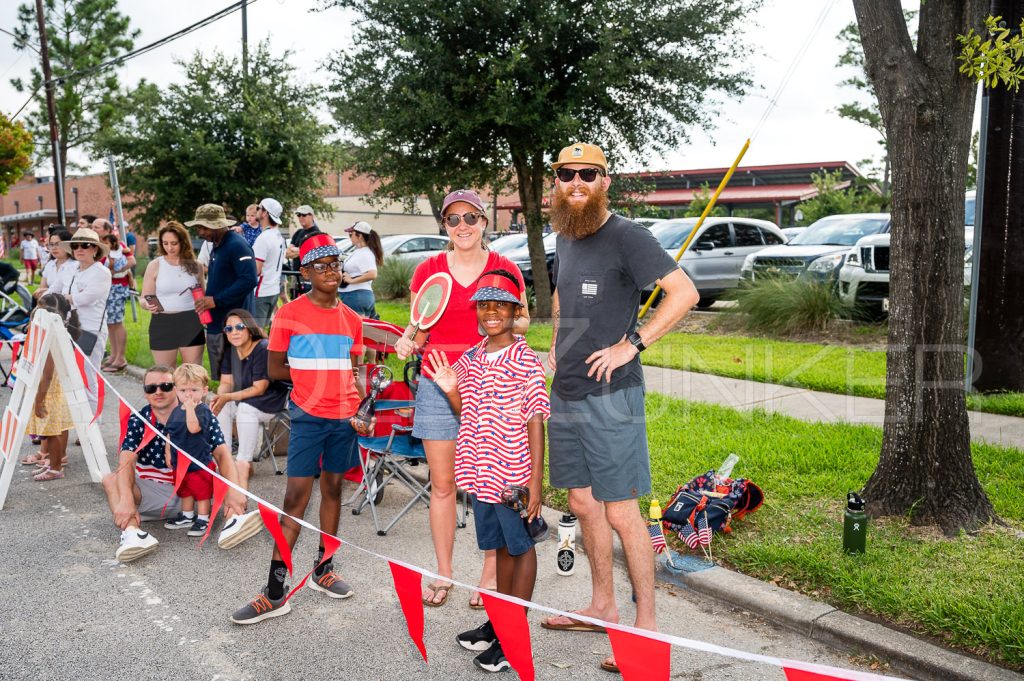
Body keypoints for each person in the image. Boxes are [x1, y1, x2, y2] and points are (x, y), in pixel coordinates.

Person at [540, 143, 699, 674]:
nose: (577, 181)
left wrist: (634, 342)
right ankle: (601, 605)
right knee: (583, 504)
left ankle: (647, 631)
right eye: (567, 173)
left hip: (612, 396)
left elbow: (684, 293)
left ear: (605, 181)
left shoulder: (628, 235)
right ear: (556, 181)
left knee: (619, 509)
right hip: (565, 391)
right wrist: (555, 348)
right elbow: (564, 299)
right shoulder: (565, 233)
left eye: (589, 173)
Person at [394, 188, 529, 608]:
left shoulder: (504, 268)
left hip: (491, 384)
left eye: (471, 217)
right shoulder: (429, 270)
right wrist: (406, 340)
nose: (463, 226)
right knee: (443, 484)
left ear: (484, 222)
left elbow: (523, 318)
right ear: (444, 226)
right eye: (454, 220)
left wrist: (499, 322)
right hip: (437, 381)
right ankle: (443, 572)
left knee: (489, 485)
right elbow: (418, 326)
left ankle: (490, 574)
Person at [231, 233, 373, 625]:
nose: (331, 271)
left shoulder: (352, 319)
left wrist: (363, 404)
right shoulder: (290, 313)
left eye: (336, 265)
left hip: (344, 417)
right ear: (306, 271)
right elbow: (276, 368)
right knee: (295, 496)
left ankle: (323, 569)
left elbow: (357, 369)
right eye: (321, 266)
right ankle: (275, 590)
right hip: (308, 415)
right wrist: (315, 376)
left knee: (332, 490)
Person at [427, 270, 549, 673]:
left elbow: (536, 418)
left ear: (516, 312)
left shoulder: (524, 358)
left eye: (501, 304)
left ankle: (514, 636)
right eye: (484, 304)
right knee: (497, 548)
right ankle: (498, 623)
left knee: (521, 546)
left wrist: (535, 481)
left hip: (512, 471)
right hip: (479, 472)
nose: (491, 311)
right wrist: (449, 389)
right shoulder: (473, 357)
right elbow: (468, 411)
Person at [103, 365, 263, 563]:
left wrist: (234, 490)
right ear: (145, 393)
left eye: (165, 386)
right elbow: (126, 459)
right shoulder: (139, 418)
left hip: (197, 493)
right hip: (156, 493)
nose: (158, 392)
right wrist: (127, 498)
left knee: (240, 465)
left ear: (176, 388)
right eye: (151, 388)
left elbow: (222, 454)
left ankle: (234, 519)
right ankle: (133, 534)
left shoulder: (200, 413)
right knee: (111, 479)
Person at [212, 309, 288, 491]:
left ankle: (243, 462)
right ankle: (225, 459)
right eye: (229, 329)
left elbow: (259, 388)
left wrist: (227, 397)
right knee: (221, 406)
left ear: (250, 328)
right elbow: (226, 383)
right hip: (245, 397)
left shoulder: (262, 347)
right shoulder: (231, 349)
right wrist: (220, 397)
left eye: (239, 327)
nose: (234, 332)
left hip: (271, 399)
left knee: (244, 409)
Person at [187, 204, 258, 380]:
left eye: (203, 227)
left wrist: (216, 300)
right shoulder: (217, 244)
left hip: (234, 325)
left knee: (235, 379)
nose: (200, 232)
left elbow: (249, 280)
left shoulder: (236, 245)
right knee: (222, 378)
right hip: (218, 323)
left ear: (217, 225)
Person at [21, 293, 80, 481]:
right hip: (55, 388)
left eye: (39, 305)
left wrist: (39, 399)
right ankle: (55, 463)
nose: (35, 309)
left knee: (51, 432)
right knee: (57, 428)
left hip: (50, 390)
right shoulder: (56, 330)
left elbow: (47, 373)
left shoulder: (51, 335)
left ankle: (55, 468)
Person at [162, 363, 220, 537]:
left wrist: (189, 409)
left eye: (194, 390)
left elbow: (194, 428)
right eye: (183, 390)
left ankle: (203, 518)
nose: (188, 395)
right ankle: (187, 515)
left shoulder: (202, 411)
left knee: (201, 492)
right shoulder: (175, 411)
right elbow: (169, 433)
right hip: (180, 462)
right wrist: (167, 452)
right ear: (176, 391)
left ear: (204, 390)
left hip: (198, 462)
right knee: (184, 490)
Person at [140, 221, 206, 367]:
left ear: (183, 242)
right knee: (166, 374)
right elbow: (144, 297)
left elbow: (202, 297)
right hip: (163, 322)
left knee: (193, 372)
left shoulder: (196, 266)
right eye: (165, 243)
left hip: (191, 321)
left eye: (174, 243)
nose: (169, 248)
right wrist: (147, 304)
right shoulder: (155, 265)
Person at [64, 227, 112, 409]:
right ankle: (81, 424)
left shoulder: (101, 272)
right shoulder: (72, 269)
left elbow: (86, 298)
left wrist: (68, 298)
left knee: (89, 376)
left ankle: (93, 427)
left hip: (90, 330)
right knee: (72, 376)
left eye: (85, 245)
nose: (79, 249)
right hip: (70, 328)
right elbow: (57, 290)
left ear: (95, 250)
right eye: (75, 246)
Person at [251, 199, 286, 328]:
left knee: (255, 334)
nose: (257, 211)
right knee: (262, 332)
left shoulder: (264, 237)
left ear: (265, 213)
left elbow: (256, 270)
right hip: (273, 290)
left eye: (259, 208)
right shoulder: (278, 236)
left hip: (261, 292)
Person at [101, 233, 132, 373]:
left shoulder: (120, 251)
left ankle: (121, 357)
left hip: (117, 288)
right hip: (108, 288)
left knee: (117, 323)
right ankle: (114, 355)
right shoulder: (105, 251)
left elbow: (131, 261)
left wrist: (118, 270)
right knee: (110, 323)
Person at [340, 221, 383, 318]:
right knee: (367, 330)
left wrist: (351, 280)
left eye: (351, 234)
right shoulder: (360, 251)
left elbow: (372, 274)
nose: (350, 237)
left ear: (359, 236)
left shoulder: (365, 253)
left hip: (356, 297)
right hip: (357, 296)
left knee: (358, 330)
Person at [284, 204, 322, 297]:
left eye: (304, 215)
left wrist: (298, 251)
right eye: (299, 215)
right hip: (295, 274)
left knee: (308, 303)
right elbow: (287, 253)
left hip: (309, 276)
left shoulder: (316, 233)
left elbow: (312, 254)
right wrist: (302, 250)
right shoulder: (298, 232)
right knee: (295, 300)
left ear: (311, 216)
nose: (301, 217)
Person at [33, 230, 76, 301]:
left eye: (58, 244)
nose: (54, 248)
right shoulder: (50, 264)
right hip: (49, 304)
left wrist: (46, 291)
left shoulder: (75, 265)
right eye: (51, 244)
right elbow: (41, 290)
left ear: (67, 245)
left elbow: (70, 292)